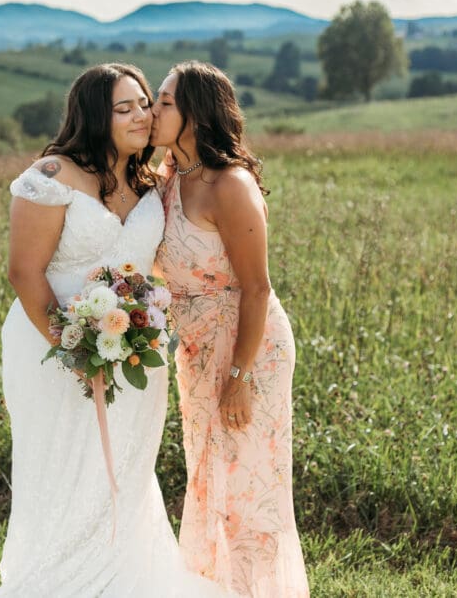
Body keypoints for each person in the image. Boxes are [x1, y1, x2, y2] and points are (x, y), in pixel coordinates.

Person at [0, 63, 230, 597]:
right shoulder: (50, 176)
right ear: (96, 115)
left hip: (136, 348)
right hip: (51, 342)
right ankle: (57, 576)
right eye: (125, 107)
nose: (142, 115)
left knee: (126, 463)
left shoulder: (150, 179)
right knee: (64, 459)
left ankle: (123, 572)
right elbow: (24, 272)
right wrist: (73, 345)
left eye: (146, 103)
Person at [151, 61, 309, 597]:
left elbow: (258, 288)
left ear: (195, 114)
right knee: (206, 479)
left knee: (247, 485)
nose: (154, 109)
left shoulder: (230, 185)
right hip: (194, 348)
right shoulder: (169, 181)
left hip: (251, 347)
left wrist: (239, 375)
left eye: (166, 102)